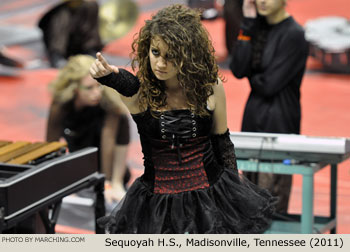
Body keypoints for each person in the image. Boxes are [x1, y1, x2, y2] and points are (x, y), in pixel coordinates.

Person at [90, 4, 277, 234]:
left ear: (188, 54)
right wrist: (109, 76)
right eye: (155, 53)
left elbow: (222, 143)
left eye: (171, 56)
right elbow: (126, 83)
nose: (160, 64)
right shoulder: (141, 94)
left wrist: (234, 199)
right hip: (157, 206)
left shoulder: (211, 87)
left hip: (210, 196)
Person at [229, 0, 309, 213]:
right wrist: (247, 23)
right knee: (248, 201)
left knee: (271, 203)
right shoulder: (256, 28)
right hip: (254, 118)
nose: (262, 1)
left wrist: (252, 74)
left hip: (279, 122)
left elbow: (269, 85)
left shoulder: (294, 34)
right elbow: (238, 68)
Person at [46, 54, 130, 203]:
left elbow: (109, 140)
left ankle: (116, 181)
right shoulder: (61, 104)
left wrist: (110, 183)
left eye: (98, 86)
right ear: (75, 88)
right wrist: (55, 182)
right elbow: (50, 145)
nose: (96, 93)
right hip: (79, 158)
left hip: (106, 155)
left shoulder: (107, 99)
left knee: (120, 115)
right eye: (89, 88)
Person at [38, 0, 103, 68]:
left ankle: (91, 53)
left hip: (82, 48)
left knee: (91, 6)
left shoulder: (89, 6)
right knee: (62, 13)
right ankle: (58, 58)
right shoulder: (59, 12)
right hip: (61, 50)